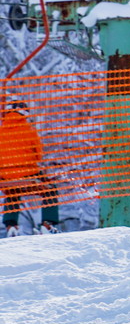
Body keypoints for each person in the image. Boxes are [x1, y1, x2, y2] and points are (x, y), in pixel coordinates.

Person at [0, 100, 60, 236]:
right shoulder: (29, 129)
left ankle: (11, 226)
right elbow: (39, 155)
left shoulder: (1, 130)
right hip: (28, 174)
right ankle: (47, 224)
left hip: (5, 177)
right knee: (50, 189)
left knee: (12, 193)